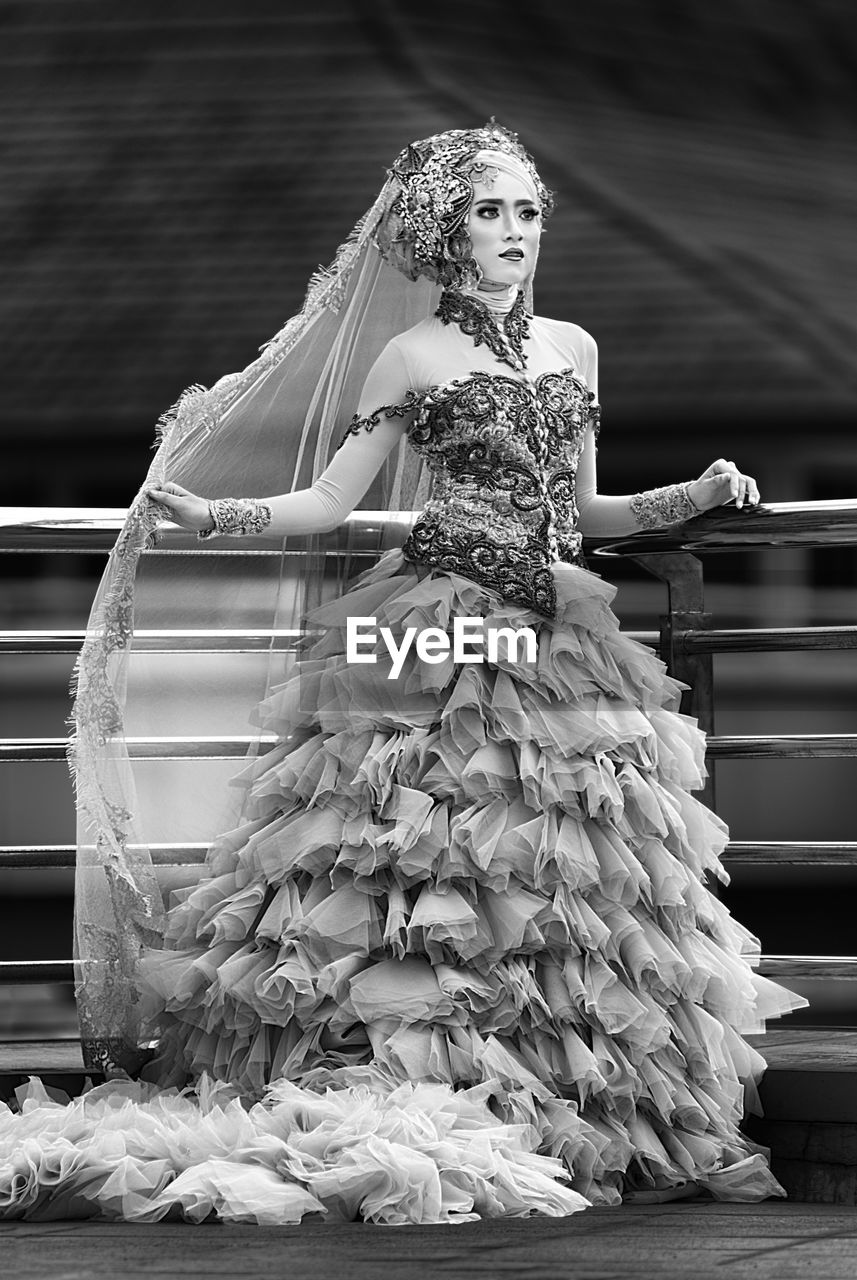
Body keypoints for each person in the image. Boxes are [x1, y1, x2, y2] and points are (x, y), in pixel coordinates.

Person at [0, 123, 806, 1224]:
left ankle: (546, 1101)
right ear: (444, 230)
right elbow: (330, 502)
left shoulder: (574, 346)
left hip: (552, 630)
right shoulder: (412, 354)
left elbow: (592, 512)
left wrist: (697, 495)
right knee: (406, 857)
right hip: (427, 625)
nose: (514, 232)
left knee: (557, 882)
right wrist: (215, 514)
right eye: (489, 211)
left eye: (527, 211)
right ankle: (418, 1076)